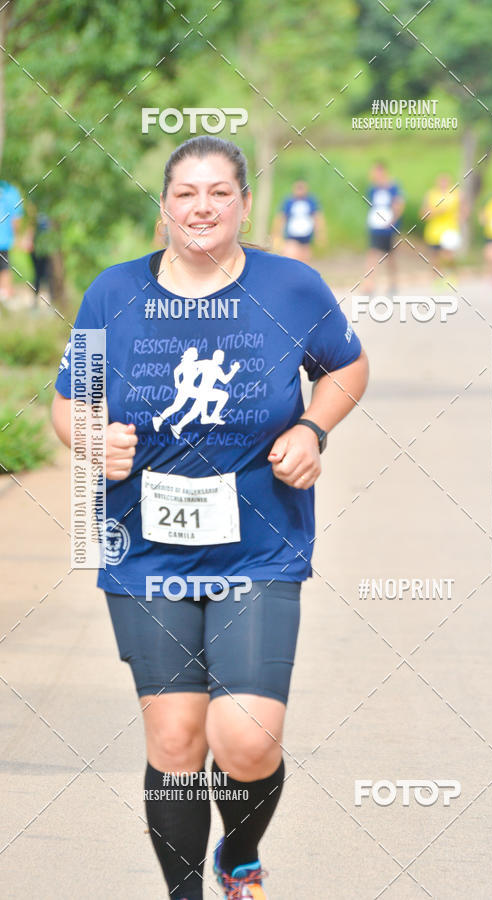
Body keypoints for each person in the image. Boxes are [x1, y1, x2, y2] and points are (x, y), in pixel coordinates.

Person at [51, 135, 369, 900]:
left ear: (245, 204)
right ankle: (188, 891)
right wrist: (92, 438)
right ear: (164, 206)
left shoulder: (292, 288)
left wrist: (312, 428)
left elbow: (347, 366)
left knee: (247, 739)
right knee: (176, 740)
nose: (202, 207)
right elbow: (70, 401)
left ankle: (242, 855)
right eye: (186, 193)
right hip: (147, 552)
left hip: (258, 545)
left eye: (218, 192)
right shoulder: (113, 294)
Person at [364, 161, 404, 294]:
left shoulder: (393, 187)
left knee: (390, 257)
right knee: (373, 253)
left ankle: (393, 283)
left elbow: (398, 204)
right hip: (376, 226)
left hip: (389, 227)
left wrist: (393, 221)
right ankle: (369, 285)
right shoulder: (372, 189)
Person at [271, 179, 325, 263]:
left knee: (305, 262)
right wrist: (277, 235)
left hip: (307, 237)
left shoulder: (311, 201)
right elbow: (281, 218)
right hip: (292, 236)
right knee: (291, 257)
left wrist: (320, 234)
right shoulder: (289, 202)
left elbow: (317, 218)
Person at [420, 173, 462, 270]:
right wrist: (437, 212)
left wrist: (461, 217)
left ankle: (451, 275)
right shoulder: (431, 194)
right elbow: (423, 214)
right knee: (435, 258)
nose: (443, 184)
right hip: (434, 232)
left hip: (450, 230)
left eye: (445, 181)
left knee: (448, 256)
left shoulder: (456, 194)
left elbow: (464, 210)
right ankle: (436, 280)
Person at [0, 179, 23, 303]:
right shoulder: (11, 191)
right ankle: (4, 298)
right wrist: (17, 236)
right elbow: (16, 218)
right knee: (4, 268)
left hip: (3, 239)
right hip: (3, 239)